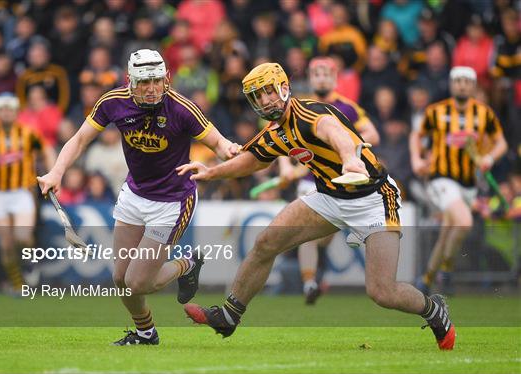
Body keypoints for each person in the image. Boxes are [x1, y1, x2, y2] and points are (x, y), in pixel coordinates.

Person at [178, 62, 456, 350]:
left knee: (382, 292)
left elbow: (335, 132)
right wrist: (212, 172)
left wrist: (350, 159)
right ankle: (228, 316)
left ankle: (434, 310)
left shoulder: (311, 113)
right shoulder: (276, 130)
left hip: (373, 198)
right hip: (330, 197)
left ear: (284, 88)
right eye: (257, 97)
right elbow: (254, 159)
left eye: (268, 92)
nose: (264, 101)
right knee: (266, 243)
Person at [37, 49, 239, 346]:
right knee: (121, 279)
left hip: (172, 202)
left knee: (138, 282)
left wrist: (231, 151)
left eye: (157, 80)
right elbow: (80, 139)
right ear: (130, 82)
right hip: (134, 194)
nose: (152, 88)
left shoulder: (182, 108)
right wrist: (56, 172)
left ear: (166, 78)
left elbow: (219, 143)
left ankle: (187, 264)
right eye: (144, 82)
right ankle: (146, 333)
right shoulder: (113, 102)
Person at [279, 56, 379, 304]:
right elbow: (277, 138)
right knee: (308, 234)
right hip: (310, 180)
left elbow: (372, 134)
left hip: (343, 180)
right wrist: (285, 168)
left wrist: (341, 141)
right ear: (310, 78)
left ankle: (318, 273)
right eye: (316, 74)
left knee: (323, 235)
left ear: (334, 79)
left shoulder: (348, 108)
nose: (321, 78)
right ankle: (310, 284)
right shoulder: (298, 107)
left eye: (326, 74)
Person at [409, 66, 508, 295]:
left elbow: (501, 142)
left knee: (447, 231)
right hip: (441, 178)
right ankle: (447, 270)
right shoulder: (436, 111)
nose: (462, 85)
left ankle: (427, 278)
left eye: (466, 81)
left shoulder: (484, 113)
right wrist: (416, 159)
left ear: (473, 86)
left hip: (469, 183)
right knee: (463, 221)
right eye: (458, 81)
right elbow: (417, 135)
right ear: (452, 85)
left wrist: (489, 158)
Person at [0, 93, 55, 293]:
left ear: (16, 112)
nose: (6, 113)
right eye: (2, 110)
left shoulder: (28, 133)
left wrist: (52, 173)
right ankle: (17, 283)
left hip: (22, 191)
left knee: (22, 236)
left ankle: (30, 263)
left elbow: (46, 150)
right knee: (6, 243)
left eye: (10, 110)